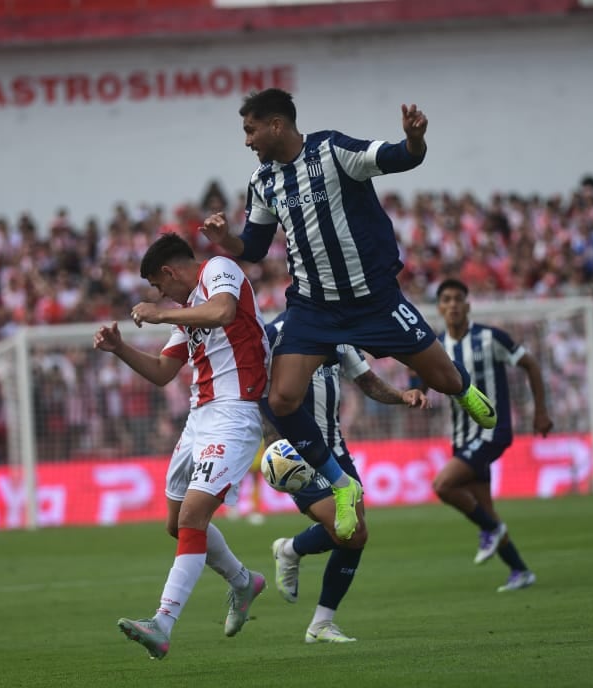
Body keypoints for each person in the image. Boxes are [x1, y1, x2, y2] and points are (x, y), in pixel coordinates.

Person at [201, 87, 497, 543]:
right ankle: (341, 484)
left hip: (375, 298)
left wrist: (415, 140)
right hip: (314, 308)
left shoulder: (333, 151)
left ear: (276, 124)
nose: (247, 140)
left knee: (440, 375)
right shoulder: (263, 181)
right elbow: (255, 249)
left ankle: (461, 389)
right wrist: (228, 242)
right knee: (281, 400)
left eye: (250, 129)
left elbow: (400, 157)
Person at [93, 232, 269, 660]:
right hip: (198, 420)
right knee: (178, 523)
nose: (161, 295)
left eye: (159, 285)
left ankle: (163, 622)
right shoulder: (189, 312)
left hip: (234, 413)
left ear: (169, 272)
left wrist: (158, 314)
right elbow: (160, 371)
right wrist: (120, 349)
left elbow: (225, 311)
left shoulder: (218, 271)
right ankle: (244, 581)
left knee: (193, 516)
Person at [263, 315, 429, 643]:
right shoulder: (275, 334)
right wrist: (271, 437)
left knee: (356, 534)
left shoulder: (339, 332)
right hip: (298, 455)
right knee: (352, 531)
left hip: (336, 449)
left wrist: (401, 396)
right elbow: (256, 389)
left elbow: (366, 381)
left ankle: (312, 601)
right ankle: (313, 605)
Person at [430, 278, 553, 592]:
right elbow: (421, 383)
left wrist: (540, 411)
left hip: (492, 431)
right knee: (485, 506)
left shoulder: (490, 338)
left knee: (442, 485)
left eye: (459, 298)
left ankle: (490, 529)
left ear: (468, 305)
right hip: (461, 437)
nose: (454, 304)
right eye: (447, 299)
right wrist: (414, 394)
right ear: (440, 308)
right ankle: (520, 570)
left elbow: (531, 365)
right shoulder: (437, 347)